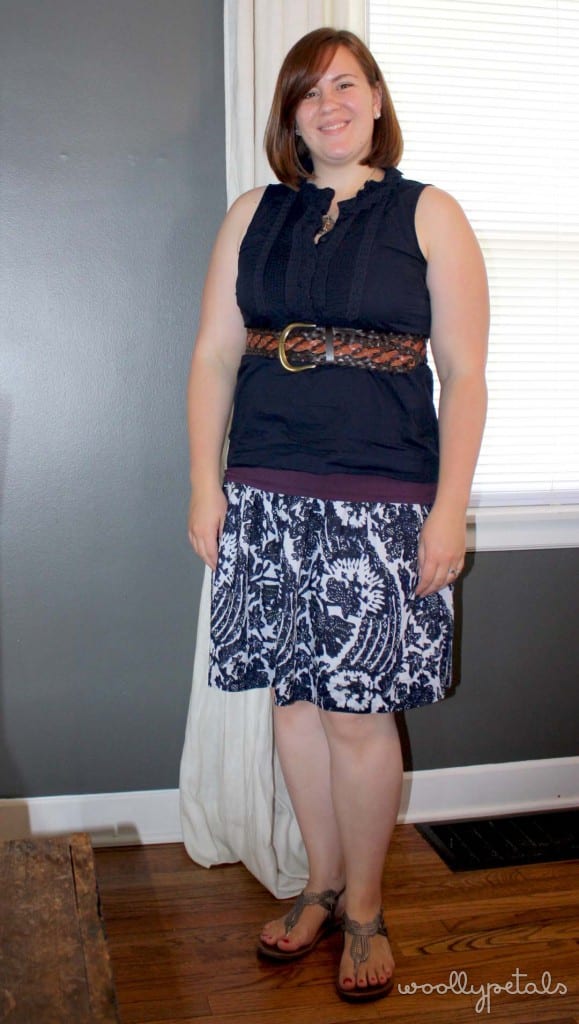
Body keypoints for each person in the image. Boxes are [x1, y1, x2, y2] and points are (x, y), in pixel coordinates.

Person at [187, 27, 488, 1003]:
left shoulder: (429, 212)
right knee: (293, 706)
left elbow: (466, 376)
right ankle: (317, 883)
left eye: (346, 84)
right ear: (291, 115)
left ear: (376, 99)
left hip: (383, 497)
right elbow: (213, 357)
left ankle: (364, 906)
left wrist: (449, 512)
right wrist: (204, 485)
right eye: (309, 91)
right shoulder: (252, 214)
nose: (331, 104)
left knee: (359, 715)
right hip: (265, 490)